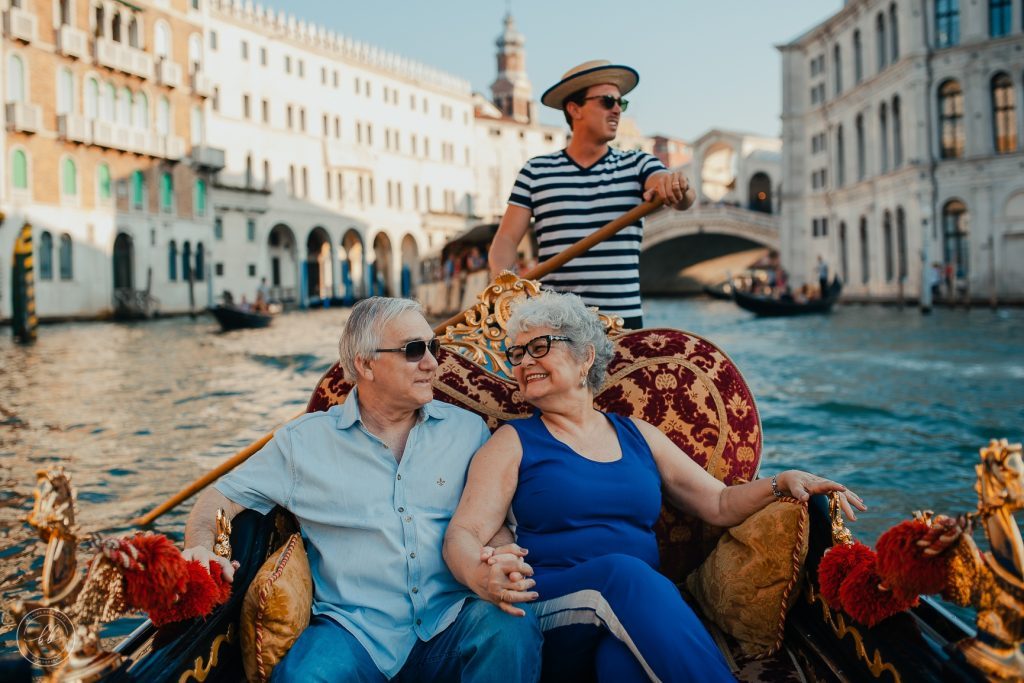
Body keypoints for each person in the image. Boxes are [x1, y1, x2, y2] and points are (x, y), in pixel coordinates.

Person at [443, 291, 866, 682]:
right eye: (516, 353)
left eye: (539, 348)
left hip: (632, 611)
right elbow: (463, 533)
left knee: (624, 667)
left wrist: (782, 482)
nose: (522, 362)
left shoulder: (638, 435)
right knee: (625, 573)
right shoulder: (512, 443)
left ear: (584, 357)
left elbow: (718, 503)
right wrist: (482, 576)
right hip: (551, 607)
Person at [182, 297, 542, 682]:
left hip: (453, 618)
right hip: (354, 633)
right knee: (303, 677)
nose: (432, 363)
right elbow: (218, 500)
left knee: (511, 627)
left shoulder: (466, 431)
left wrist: (502, 557)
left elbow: (490, 521)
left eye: (432, 347)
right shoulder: (302, 444)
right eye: (413, 350)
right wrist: (202, 547)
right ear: (365, 363)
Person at [488, 60, 696, 330]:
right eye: (608, 101)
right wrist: (506, 292)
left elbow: (679, 195)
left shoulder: (637, 164)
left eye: (621, 103)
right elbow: (505, 239)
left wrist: (673, 186)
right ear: (574, 109)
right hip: (557, 326)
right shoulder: (536, 171)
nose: (617, 110)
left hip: (622, 325)